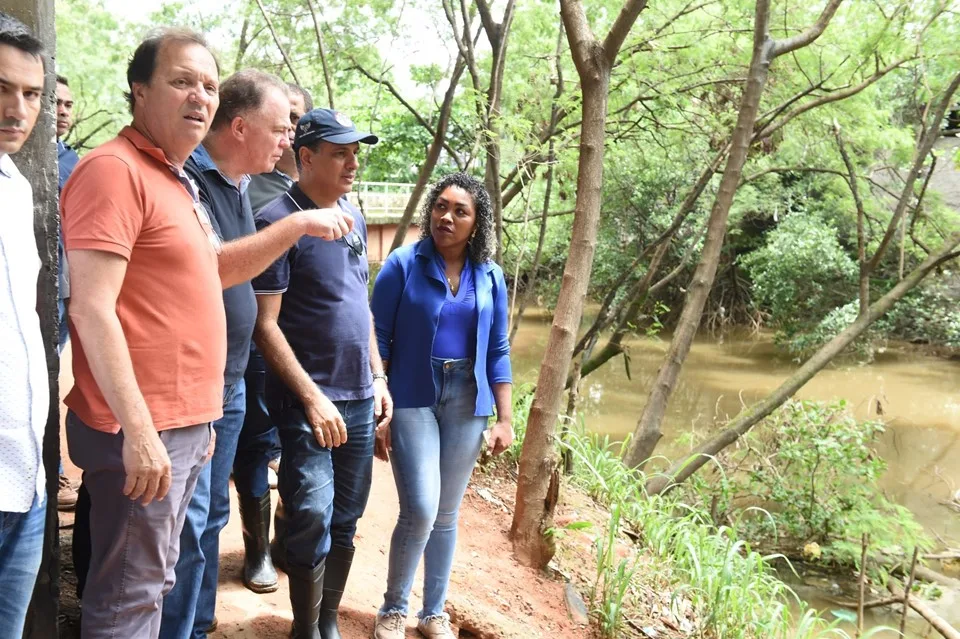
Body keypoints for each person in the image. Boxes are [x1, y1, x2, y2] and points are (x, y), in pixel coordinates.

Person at [60, 28, 352, 638]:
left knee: (156, 579)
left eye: (210, 85)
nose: (200, 96)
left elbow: (216, 270)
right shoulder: (113, 170)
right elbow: (92, 309)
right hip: (146, 426)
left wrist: (296, 228)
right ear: (140, 91)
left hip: (188, 419)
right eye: (181, 81)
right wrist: (140, 430)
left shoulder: (175, 179)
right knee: (128, 594)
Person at [158, 68, 294, 639]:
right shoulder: (190, 180)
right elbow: (211, 269)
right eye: (280, 128)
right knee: (185, 525)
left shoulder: (241, 184)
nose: (287, 139)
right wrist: (299, 227)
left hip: (229, 379)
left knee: (211, 514)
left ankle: (198, 622)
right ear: (240, 127)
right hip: (191, 382)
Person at [253, 108, 392, 639]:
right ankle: (305, 627)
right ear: (305, 157)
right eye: (340, 152)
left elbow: (361, 308)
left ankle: (327, 620)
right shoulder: (277, 221)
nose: (352, 163)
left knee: (347, 516)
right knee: (311, 509)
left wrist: (379, 379)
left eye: (355, 152)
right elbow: (265, 326)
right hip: (308, 400)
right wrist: (312, 399)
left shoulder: (351, 218)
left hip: (360, 396)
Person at [370, 173, 514, 639]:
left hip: (468, 399)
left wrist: (506, 418)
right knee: (422, 508)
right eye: (440, 206)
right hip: (412, 393)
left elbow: (498, 350)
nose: (446, 217)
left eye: (460, 211)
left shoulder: (490, 276)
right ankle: (393, 609)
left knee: (448, 513)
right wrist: (379, 402)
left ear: (477, 224)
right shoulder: (402, 264)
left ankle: (433, 612)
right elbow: (376, 339)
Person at [232, 82, 312, 596]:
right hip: (261, 340)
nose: (291, 131)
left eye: (298, 120)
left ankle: (284, 540)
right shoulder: (251, 185)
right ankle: (256, 549)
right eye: (285, 121)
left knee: (295, 445)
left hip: (306, 345)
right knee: (257, 444)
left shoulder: (315, 186)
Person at [0, 12, 50, 637]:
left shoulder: (16, 187)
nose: (17, 109)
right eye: (1, 88)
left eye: (30, 93)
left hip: (23, 477)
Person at [55, 73, 81, 510]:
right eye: (55, 103)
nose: (61, 111)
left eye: (67, 104)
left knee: (46, 376)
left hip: (63, 286)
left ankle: (54, 468)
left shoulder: (73, 162)